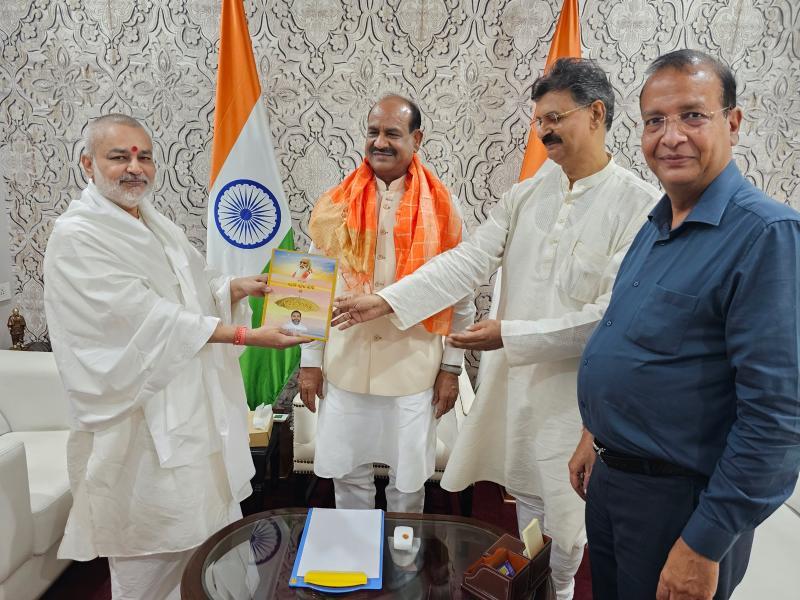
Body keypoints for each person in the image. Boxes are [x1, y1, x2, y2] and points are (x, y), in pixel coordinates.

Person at [331, 59, 661, 600]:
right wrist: (387, 301)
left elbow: (611, 317)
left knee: (568, 522)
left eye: (555, 117)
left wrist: (508, 335)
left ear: (597, 114)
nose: (545, 130)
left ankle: (558, 591)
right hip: (518, 386)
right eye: (539, 121)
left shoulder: (638, 206)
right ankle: (535, 590)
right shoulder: (528, 193)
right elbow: (467, 262)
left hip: (576, 396)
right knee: (527, 500)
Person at [42, 114, 308, 600]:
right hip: (140, 429)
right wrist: (244, 335)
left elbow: (191, 285)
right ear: (88, 163)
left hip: (193, 410)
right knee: (151, 559)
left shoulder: (153, 223)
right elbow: (146, 317)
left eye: (143, 156)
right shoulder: (77, 236)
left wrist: (232, 287)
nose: (134, 168)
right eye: (119, 156)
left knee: (209, 549)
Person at [569, 49, 800, 600]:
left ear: (733, 123)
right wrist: (592, 434)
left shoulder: (768, 236)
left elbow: (777, 418)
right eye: (655, 120)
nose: (670, 136)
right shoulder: (656, 222)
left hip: (681, 506)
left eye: (692, 115)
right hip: (612, 481)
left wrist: (705, 543)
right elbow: (626, 338)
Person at [299, 94, 474, 513]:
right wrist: (309, 361)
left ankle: (402, 564)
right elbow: (308, 289)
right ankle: (353, 563)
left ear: (417, 139)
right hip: (346, 365)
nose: (380, 142)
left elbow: (460, 298)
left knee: (409, 482)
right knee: (348, 474)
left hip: (413, 370)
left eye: (392, 133)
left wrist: (451, 369)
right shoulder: (334, 205)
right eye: (373, 132)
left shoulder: (444, 209)